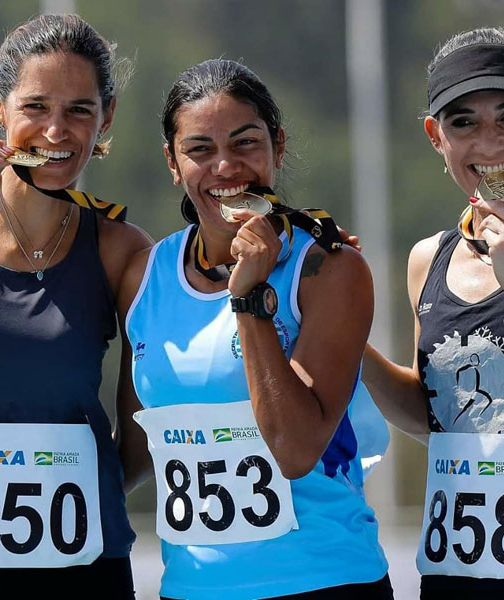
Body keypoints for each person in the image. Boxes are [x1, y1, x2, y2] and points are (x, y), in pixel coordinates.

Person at [117, 59, 392, 600]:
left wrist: (248, 299)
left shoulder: (329, 270)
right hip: (190, 589)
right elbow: (134, 451)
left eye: (245, 143)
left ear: (278, 147)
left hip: (324, 581)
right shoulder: (143, 274)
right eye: (199, 150)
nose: (225, 166)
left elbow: (293, 449)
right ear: (172, 163)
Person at [0, 14, 151, 599]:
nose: (57, 130)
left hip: (85, 568)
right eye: (36, 106)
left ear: (106, 118)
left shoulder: (121, 251)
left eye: (80, 109)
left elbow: (143, 434)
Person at [362, 27, 504, 599]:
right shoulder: (427, 259)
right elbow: (438, 418)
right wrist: (343, 346)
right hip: (458, 574)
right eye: (463, 122)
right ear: (437, 137)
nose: (490, 144)